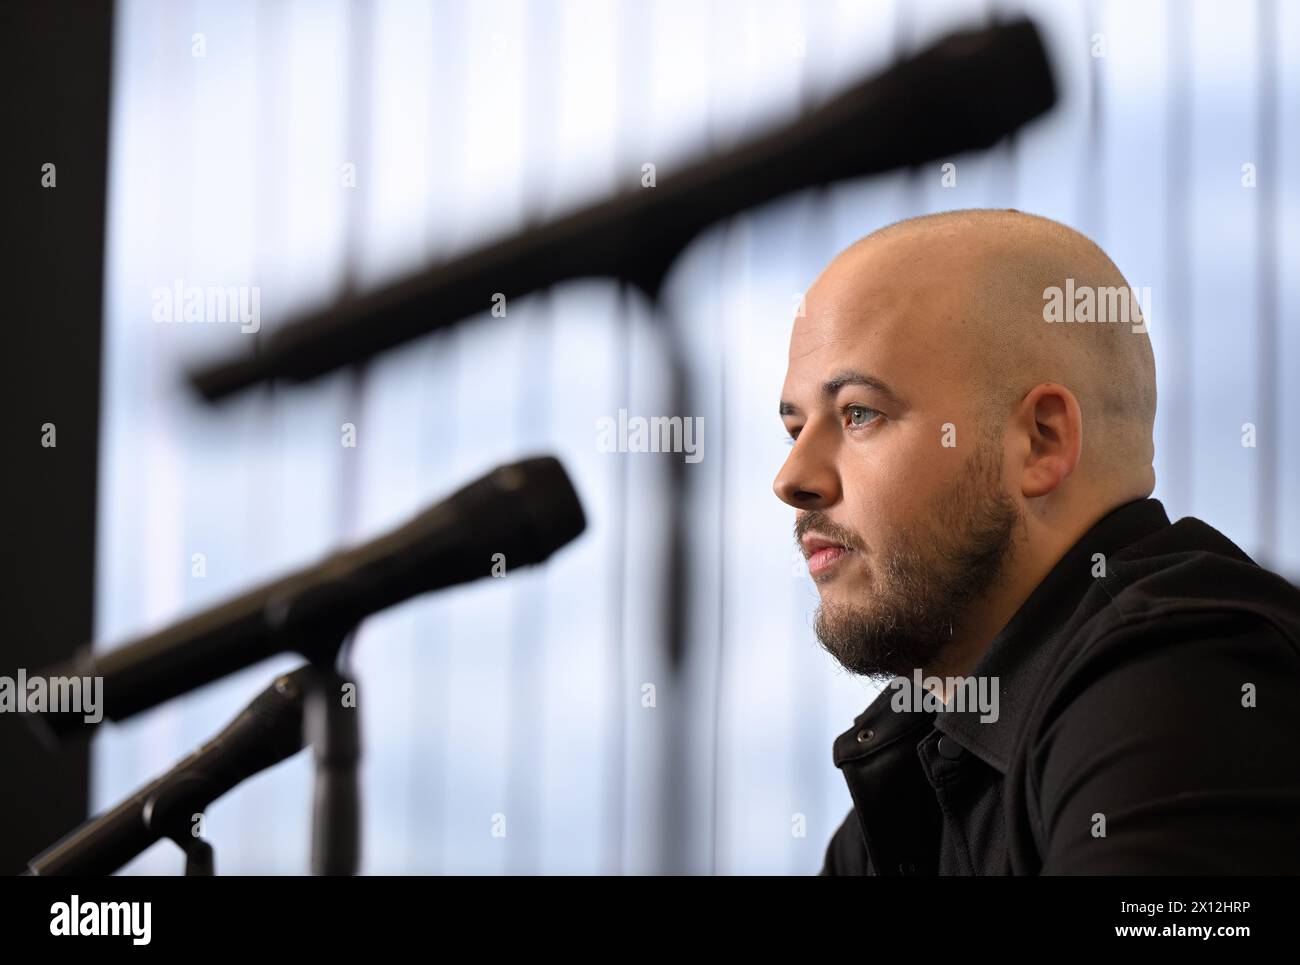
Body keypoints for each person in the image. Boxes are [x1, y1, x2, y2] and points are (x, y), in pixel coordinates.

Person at [774, 209, 1300, 874]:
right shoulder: (916, 770)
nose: (791, 478)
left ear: (1041, 440)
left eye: (859, 413)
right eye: (795, 429)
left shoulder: (1188, 681)